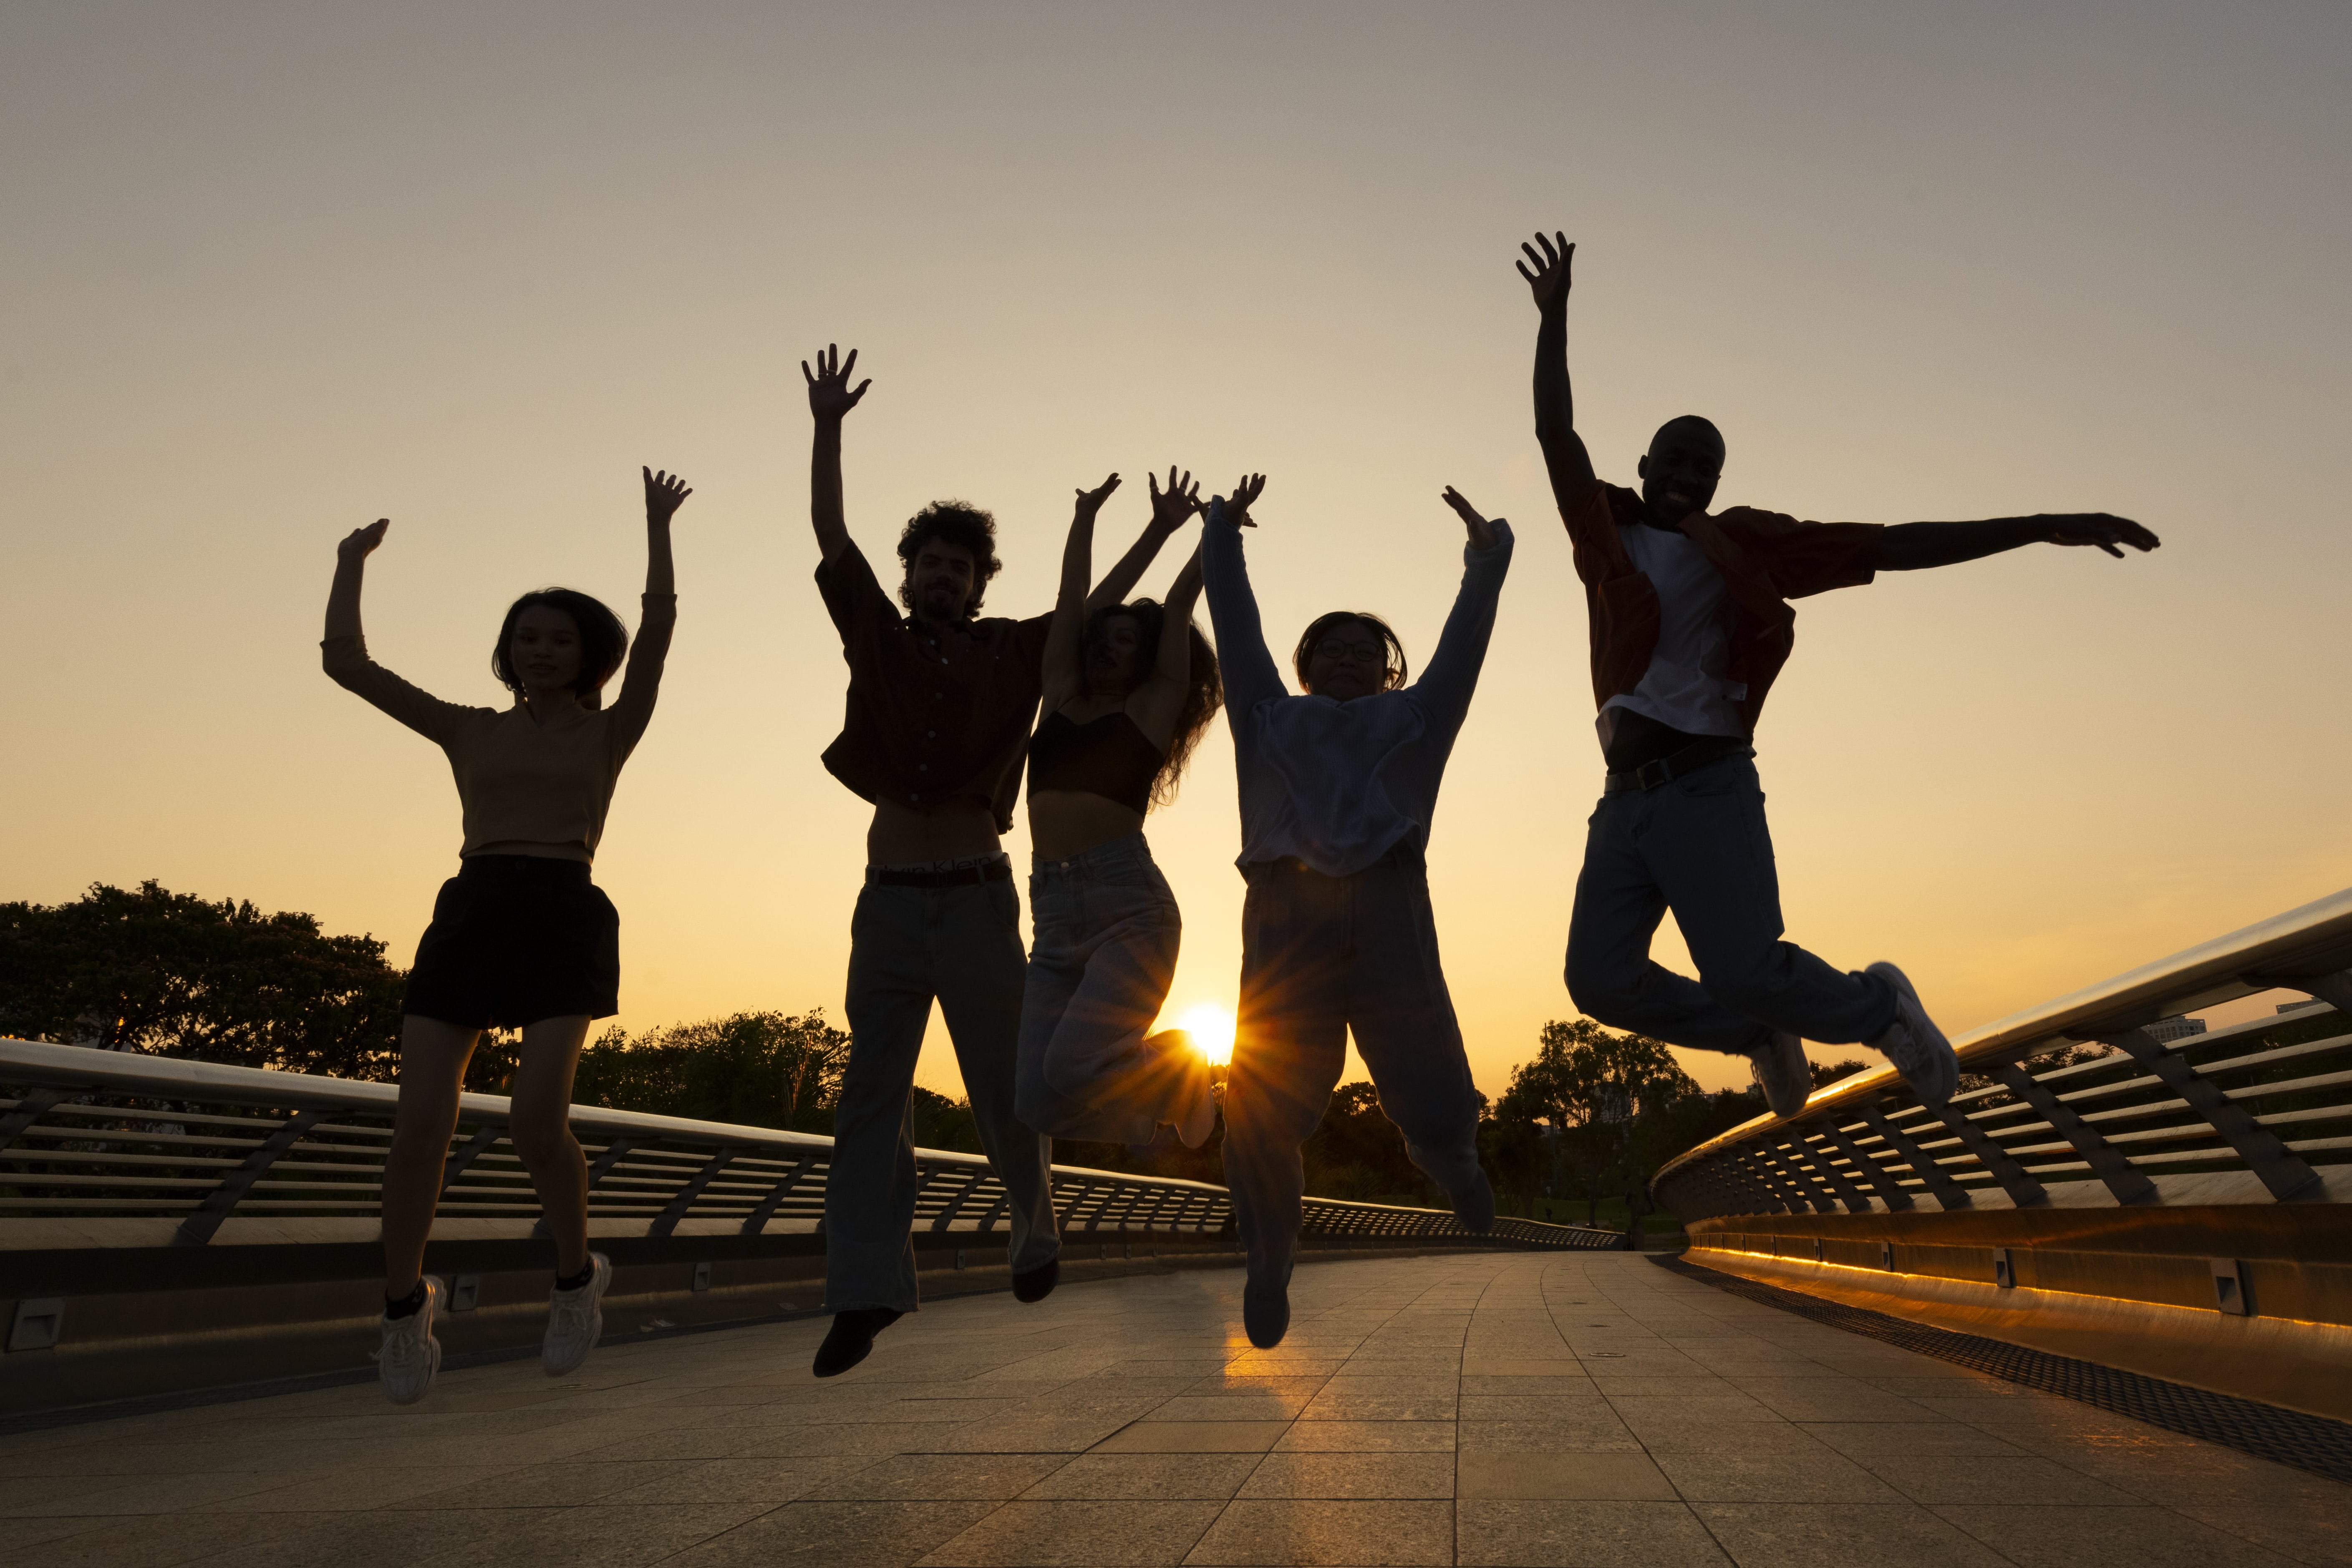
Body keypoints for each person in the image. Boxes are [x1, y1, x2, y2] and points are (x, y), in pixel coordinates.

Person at [1516, 229, 2161, 1120]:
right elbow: (1554, 430)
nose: (1689, 473)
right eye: (1675, 457)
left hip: (1704, 786)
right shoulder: (1606, 533)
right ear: (1644, 466)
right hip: (1622, 798)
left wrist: (2039, 522)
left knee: (1743, 964)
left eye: (1706, 465)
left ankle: (1877, 1008)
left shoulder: (1745, 543)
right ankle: (1754, 1032)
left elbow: (1890, 547)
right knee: (1597, 980)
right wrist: (1554, 320)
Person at [801, 345, 1188, 1376]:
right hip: (886, 904)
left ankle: (1033, 1219)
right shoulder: (874, 641)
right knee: (867, 1098)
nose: (944, 575)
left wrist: (1152, 525)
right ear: (911, 574)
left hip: (976, 900)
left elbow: (1098, 606)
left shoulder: (1017, 653)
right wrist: (828, 424)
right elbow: (830, 537)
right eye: (930, 562)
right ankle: (866, 1290)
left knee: (1006, 1087)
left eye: (961, 567)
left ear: (979, 584)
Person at [322, 466, 691, 1405]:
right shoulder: (467, 729)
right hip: (475, 910)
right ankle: (404, 1310)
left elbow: (657, 637)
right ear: (506, 649)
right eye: (525, 637)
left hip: (563, 911)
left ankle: (576, 1278)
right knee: (419, 1128)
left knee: (535, 1118)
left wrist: (656, 529)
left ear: (585, 654)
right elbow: (347, 665)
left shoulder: (612, 731)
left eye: (557, 639)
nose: (538, 650)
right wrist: (348, 564)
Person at [1202, 475, 1515, 1349]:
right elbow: (1234, 633)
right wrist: (1221, 536)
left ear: (1388, 671)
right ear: (1302, 670)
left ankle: (1448, 1156)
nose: (1344, 659)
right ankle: (1268, 1260)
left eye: (1362, 651)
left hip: (1387, 917)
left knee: (1437, 1095)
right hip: (1283, 923)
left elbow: (1463, 650)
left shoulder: (1417, 718)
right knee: (1259, 1111)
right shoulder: (1266, 718)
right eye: (1327, 650)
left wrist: (1484, 563)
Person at [1016, 469, 1224, 1152]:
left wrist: (1207, 534)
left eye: (1124, 641)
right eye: (1100, 639)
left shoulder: (1149, 709)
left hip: (1127, 907)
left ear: (1146, 661)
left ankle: (1176, 1064)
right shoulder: (1060, 697)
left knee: (1073, 1065)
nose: (1106, 645)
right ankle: (1155, 1105)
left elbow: (1179, 596)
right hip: (1052, 909)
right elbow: (1072, 599)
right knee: (1039, 1102)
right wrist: (1085, 519)